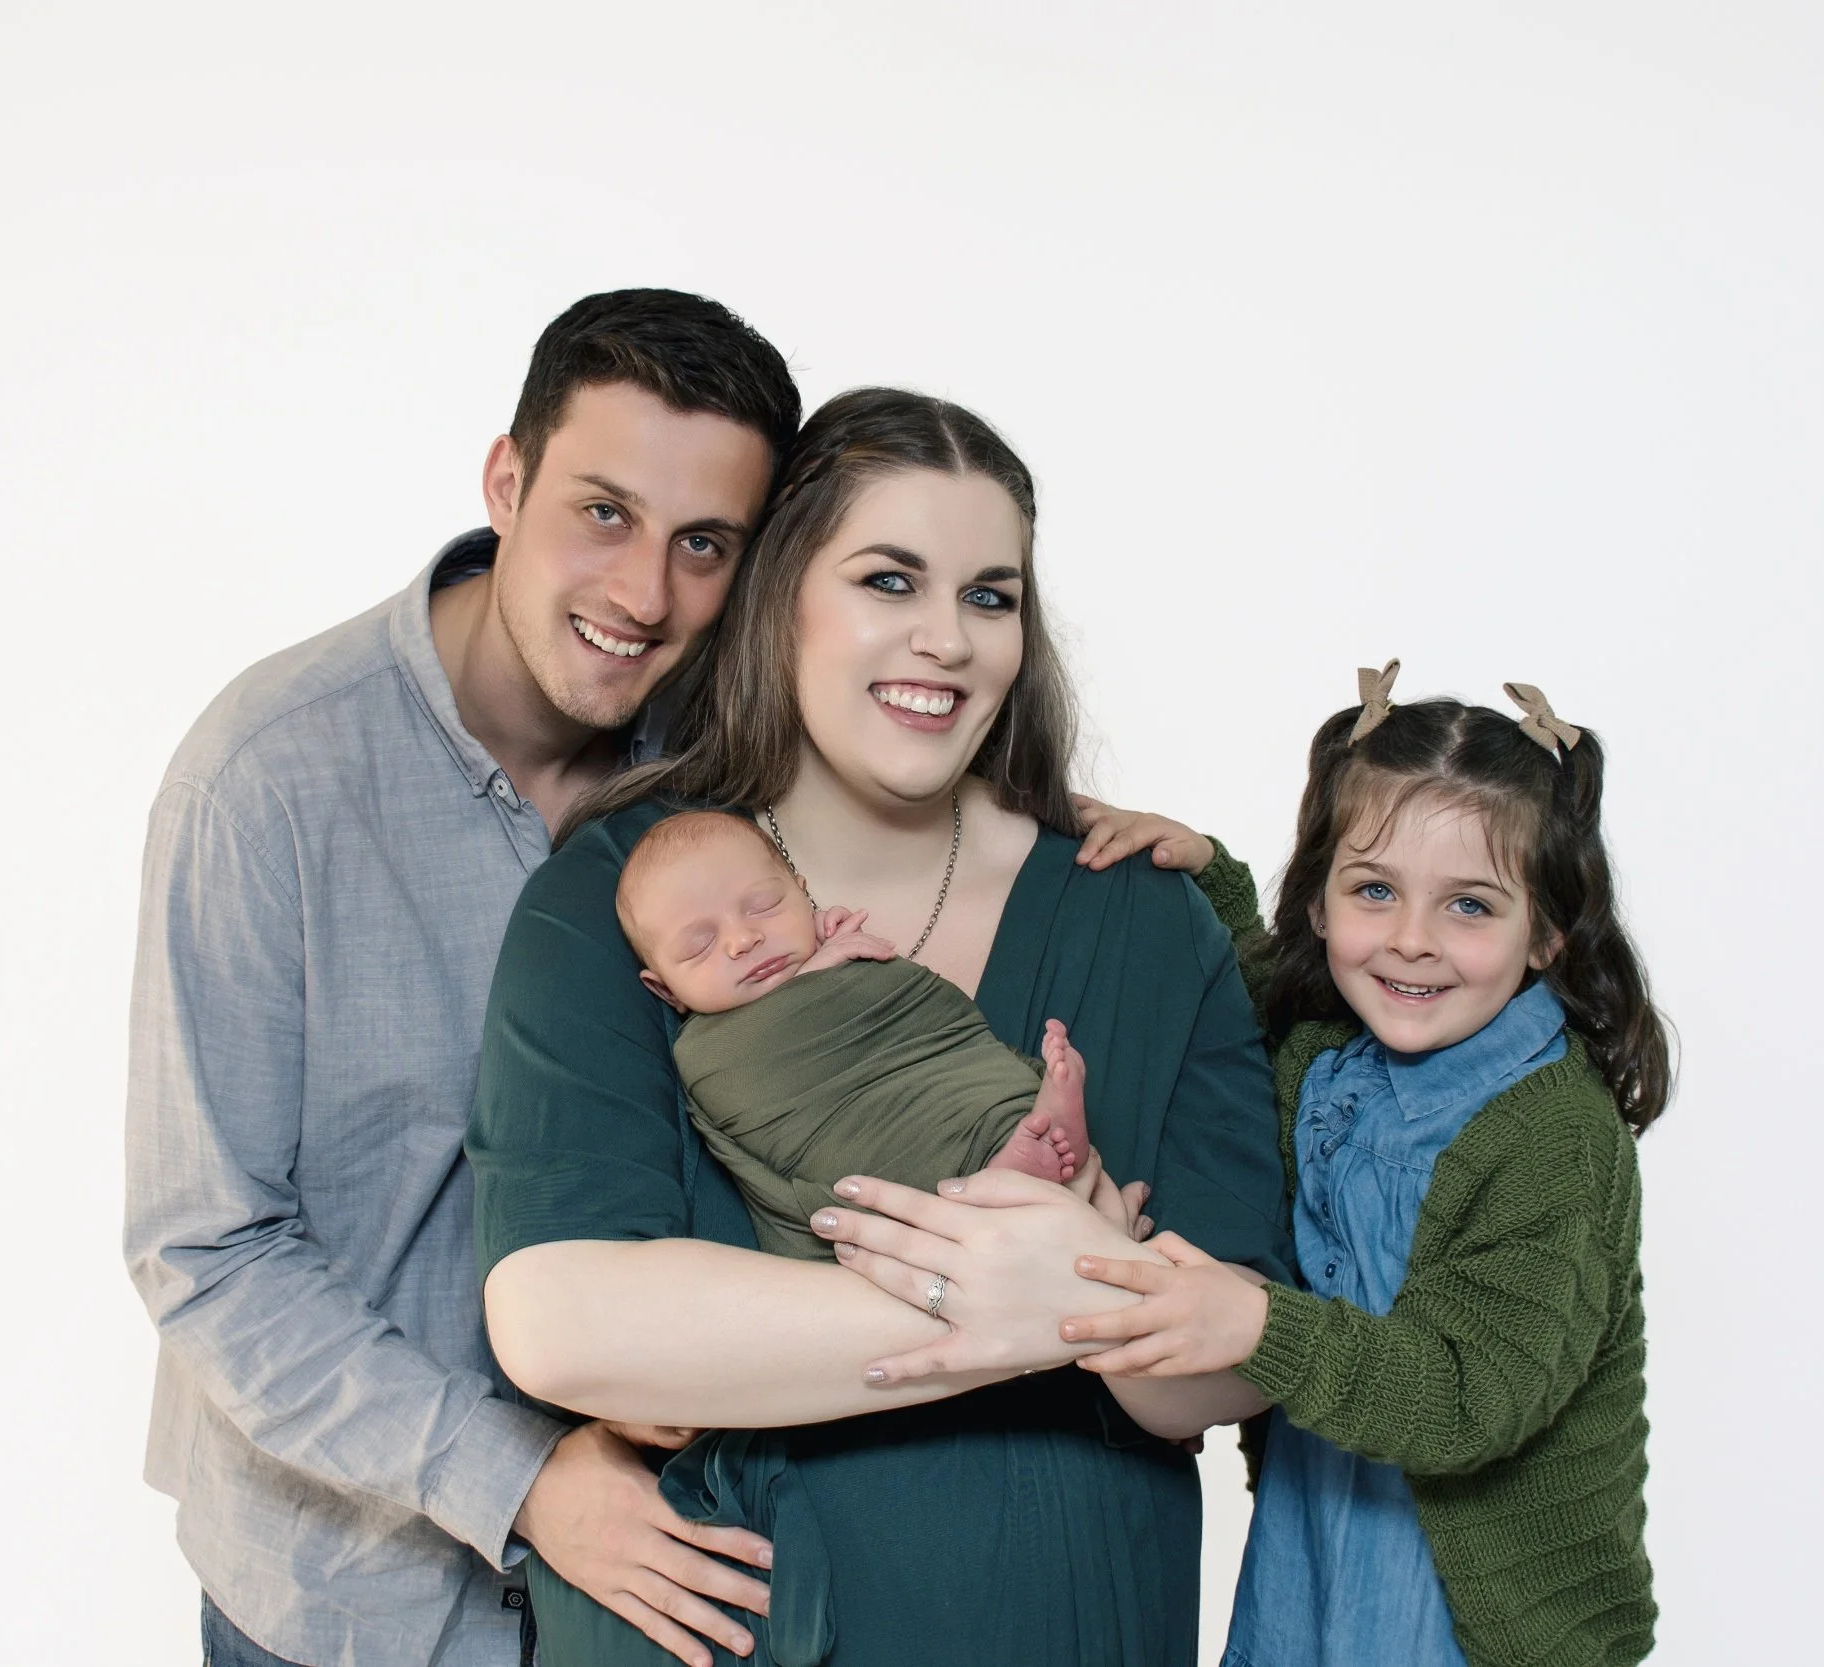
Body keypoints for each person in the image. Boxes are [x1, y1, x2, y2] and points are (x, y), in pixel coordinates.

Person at [467, 387, 1292, 1667]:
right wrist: (1065, 1295)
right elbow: (564, 1321)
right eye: (888, 579)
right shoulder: (623, 901)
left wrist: (775, 1329)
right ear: (783, 590)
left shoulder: (1141, 918)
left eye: (988, 595)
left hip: (1069, 1619)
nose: (946, 639)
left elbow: (1238, 1356)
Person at [124, 289, 803, 1667]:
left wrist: (1096, 836)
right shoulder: (268, 776)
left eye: (704, 544)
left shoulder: (736, 769)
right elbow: (206, 1249)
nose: (643, 594)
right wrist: (523, 1479)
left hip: (667, 1588)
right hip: (343, 1603)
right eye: (602, 511)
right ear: (507, 479)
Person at [1055, 665, 1667, 1667]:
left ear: (1548, 934)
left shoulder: (1552, 1134)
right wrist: (1203, 871)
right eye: (1373, 889)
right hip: (1315, 1556)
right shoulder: (1322, 1048)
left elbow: (1472, 1394)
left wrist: (1256, 1324)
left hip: (1481, 1612)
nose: (1410, 941)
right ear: (1323, 898)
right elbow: (1242, 972)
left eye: (1469, 905)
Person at [615, 807, 1093, 1257]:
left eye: (765, 907)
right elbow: (752, 1090)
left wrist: (827, 957)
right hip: (853, 1139)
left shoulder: (849, 956)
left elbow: (939, 1035)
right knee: (874, 1151)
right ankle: (995, 1174)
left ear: (804, 896)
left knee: (981, 1081)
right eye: (700, 945)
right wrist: (813, 976)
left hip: (938, 1083)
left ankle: (1025, 1131)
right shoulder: (709, 1053)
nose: (744, 940)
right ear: (665, 990)